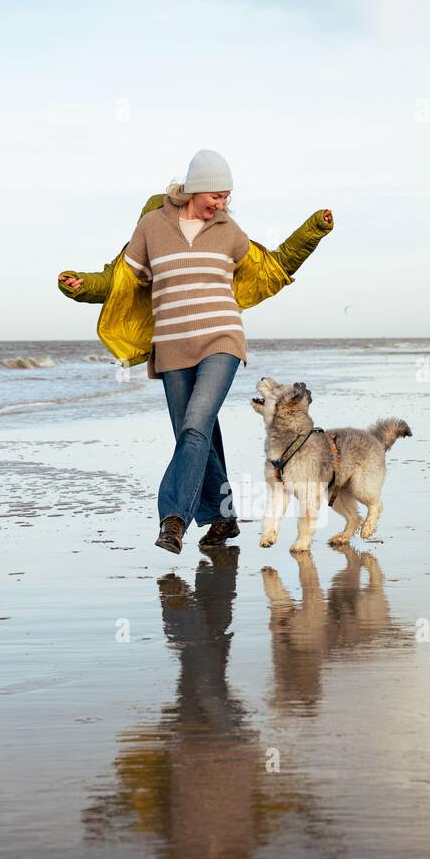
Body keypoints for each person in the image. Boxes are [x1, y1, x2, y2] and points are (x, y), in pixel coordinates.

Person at [59, 148, 333, 554]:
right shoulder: (152, 227)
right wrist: (83, 286)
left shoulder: (229, 231)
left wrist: (312, 231)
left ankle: (173, 520)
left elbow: (271, 269)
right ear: (194, 189)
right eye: (216, 196)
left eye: (226, 197)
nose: (221, 204)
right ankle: (222, 517)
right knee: (196, 433)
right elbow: (121, 280)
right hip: (170, 347)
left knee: (195, 425)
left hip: (221, 340)